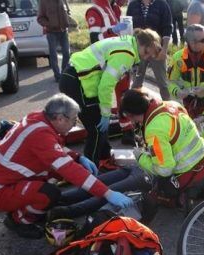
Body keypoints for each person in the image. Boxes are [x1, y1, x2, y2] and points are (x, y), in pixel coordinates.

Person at [0, 94, 134, 239]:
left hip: (8, 182)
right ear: (60, 118)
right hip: (1, 192)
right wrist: (108, 193)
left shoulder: (38, 119)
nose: (75, 124)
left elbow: (56, 147)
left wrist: (78, 157)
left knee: (55, 180)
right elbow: (69, 169)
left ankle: (26, 209)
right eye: (74, 120)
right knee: (49, 194)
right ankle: (19, 220)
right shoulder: (40, 134)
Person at [59, 29, 164, 170]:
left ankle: (104, 158)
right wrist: (106, 113)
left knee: (100, 126)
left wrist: (104, 113)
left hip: (78, 78)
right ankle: (90, 169)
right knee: (96, 129)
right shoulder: (127, 54)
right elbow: (106, 86)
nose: (145, 58)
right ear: (143, 44)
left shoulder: (128, 42)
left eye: (149, 57)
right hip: (77, 81)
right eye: (146, 53)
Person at [121, 89, 204, 206]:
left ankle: (187, 197)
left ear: (130, 115)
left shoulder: (154, 130)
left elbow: (165, 170)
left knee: (160, 187)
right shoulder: (172, 105)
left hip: (189, 174)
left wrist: (141, 157)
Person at [85, 0, 135, 145]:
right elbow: (94, 39)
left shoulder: (114, 7)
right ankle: (101, 135)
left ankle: (127, 130)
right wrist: (112, 30)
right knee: (102, 95)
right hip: (105, 61)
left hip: (119, 57)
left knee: (124, 95)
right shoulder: (94, 10)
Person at [167, 24, 204, 118]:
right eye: (203, 40)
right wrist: (177, 92)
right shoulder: (178, 58)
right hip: (188, 102)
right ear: (192, 43)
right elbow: (170, 82)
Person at [126, 0, 174, 100]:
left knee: (163, 84)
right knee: (136, 82)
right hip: (138, 51)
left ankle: (169, 107)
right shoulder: (133, 5)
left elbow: (167, 27)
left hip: (157, 51)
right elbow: (128, 27)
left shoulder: (162, 4)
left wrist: (164, 49)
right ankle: (134, 107)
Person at [38, 0, 73, 82]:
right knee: (53, 55)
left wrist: (68, 21)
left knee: (67, 53)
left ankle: (64, 74)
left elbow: (68, 12)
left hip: (64, 31)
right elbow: (40, 18)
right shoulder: (44, 2)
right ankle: (57, 76)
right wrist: (48, 24)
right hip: (51, 32)